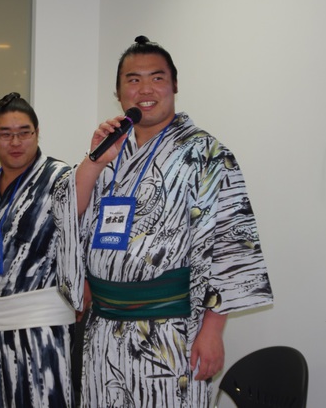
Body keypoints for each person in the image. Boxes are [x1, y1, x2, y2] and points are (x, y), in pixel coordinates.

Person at [53, 36, 274, 407]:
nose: (145, 90)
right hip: (103, 327)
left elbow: (232, 242)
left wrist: (212, 330)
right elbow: (66, 214)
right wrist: (94, 161)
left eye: (157, 78)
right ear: (118, 92)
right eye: (133, 80)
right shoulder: (109, 149)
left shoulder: (207, 154)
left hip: (171, 329)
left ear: (174, 85)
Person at [0, 93, 76, 407]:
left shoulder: (61, 178)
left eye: (24, 132)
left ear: (37, 133)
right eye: (5, 134)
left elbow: (79, 242)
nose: (15, 142)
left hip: (41, 327)